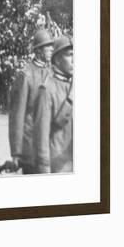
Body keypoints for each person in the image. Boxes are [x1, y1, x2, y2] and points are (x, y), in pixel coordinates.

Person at [8, 29, 54, 174]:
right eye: (48, 47)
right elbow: (17, 116)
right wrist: (16, 152)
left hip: (49, 147)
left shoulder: (51, 73)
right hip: (31, 149)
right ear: (39, 50)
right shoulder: (25, 75)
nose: (52, 50)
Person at [33, 36, 73, 174]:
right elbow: (42, 136)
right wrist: (45, 171)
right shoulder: (46, 89)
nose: (75, 60)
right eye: (70, 55)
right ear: (57, 60)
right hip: (58, 166)